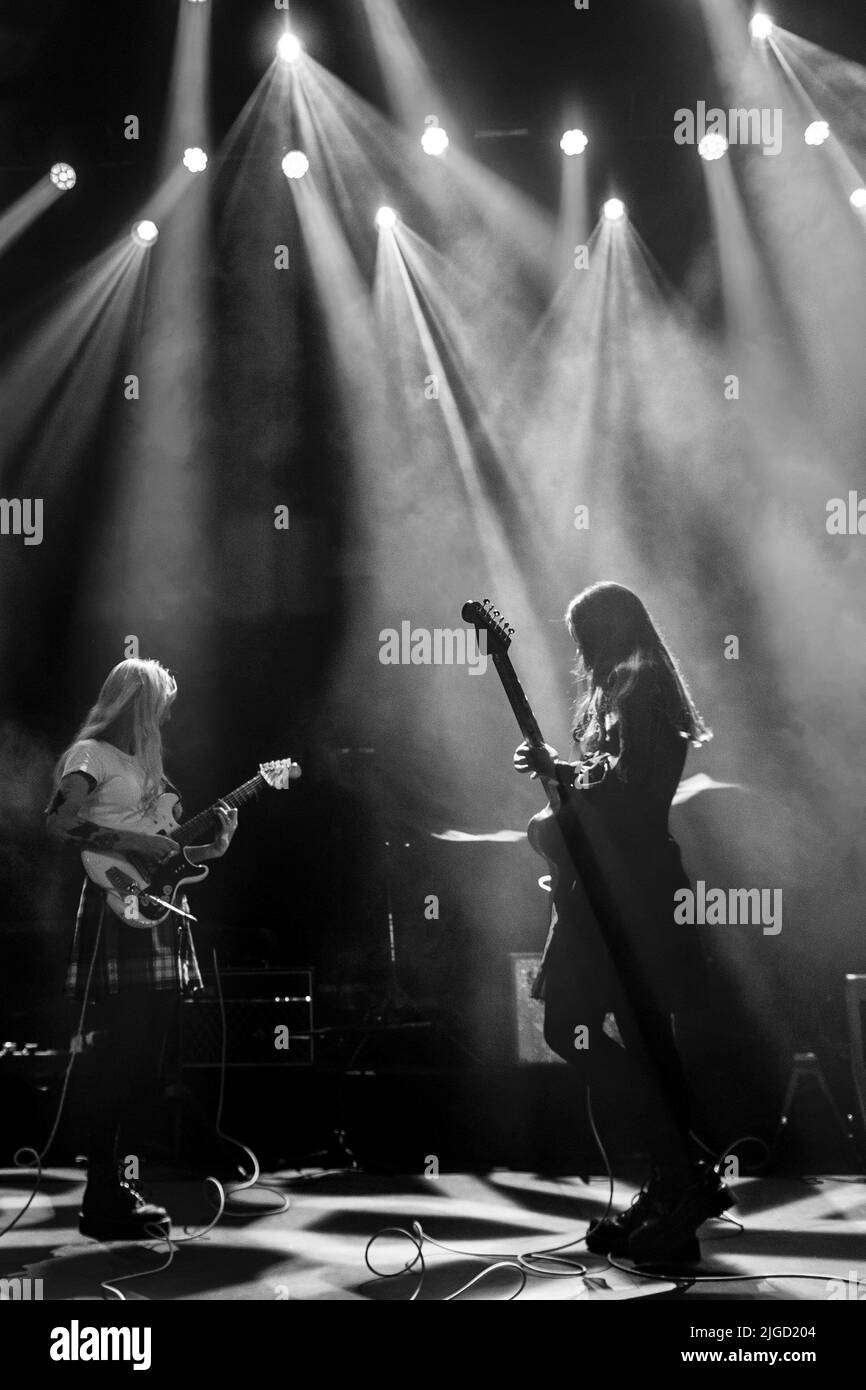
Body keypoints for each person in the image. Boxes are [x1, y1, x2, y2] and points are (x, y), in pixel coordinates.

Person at [514, 581, 731, 1264]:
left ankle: (677, 1176)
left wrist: (563, 783)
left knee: (590, 1027)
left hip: (630, 895)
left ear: (609, 631)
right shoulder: (630, 691)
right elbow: (616, 779)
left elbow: (632, 796)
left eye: (584, 637)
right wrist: (565, 773)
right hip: (614, 890)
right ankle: (674, 1178)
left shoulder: (640, 692)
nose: (579, 652)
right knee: (627, 1037)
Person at [45, 658, 238, 1240]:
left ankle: (113, 1192)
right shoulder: (91, 756)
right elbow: (58, 821)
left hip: (152, 913)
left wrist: (212, 851)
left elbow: (164, 854)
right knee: (119, 1058)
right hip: (113, 907)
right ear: (136, 702)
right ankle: (102, 1197)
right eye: (161, 703)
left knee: (144, 1060)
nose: (168, 714)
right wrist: (130, 840)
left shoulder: (141, 765)